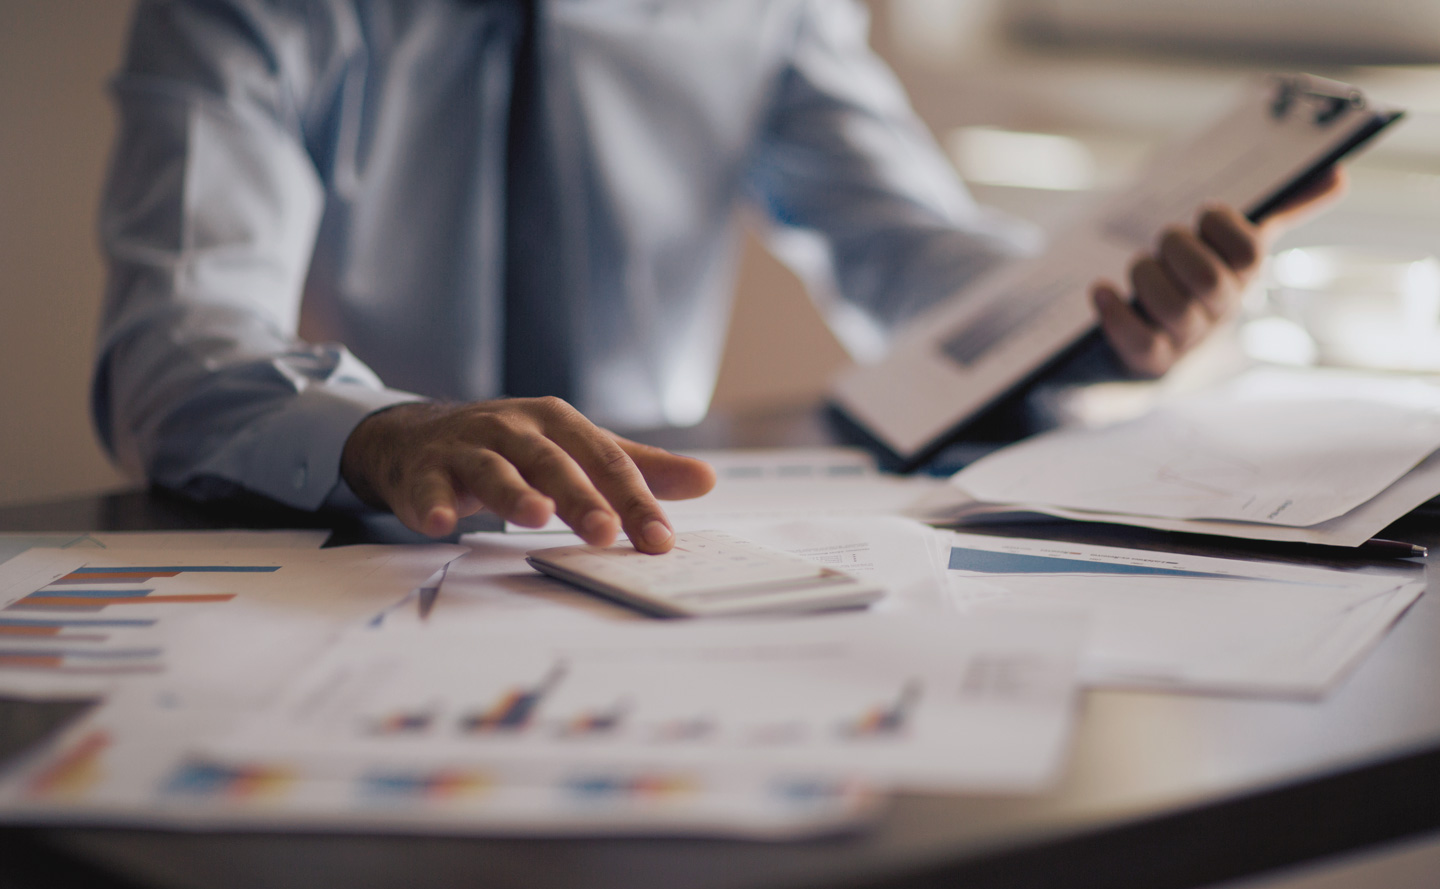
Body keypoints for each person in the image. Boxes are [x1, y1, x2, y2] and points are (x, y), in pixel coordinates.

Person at [93, 0, 1342, 553]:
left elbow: (911, 254)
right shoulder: (242, 6)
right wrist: (382, 431)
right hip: (353, 545)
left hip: (656, 538)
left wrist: (1101, 312)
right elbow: (174, 335)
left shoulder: (762, 5)